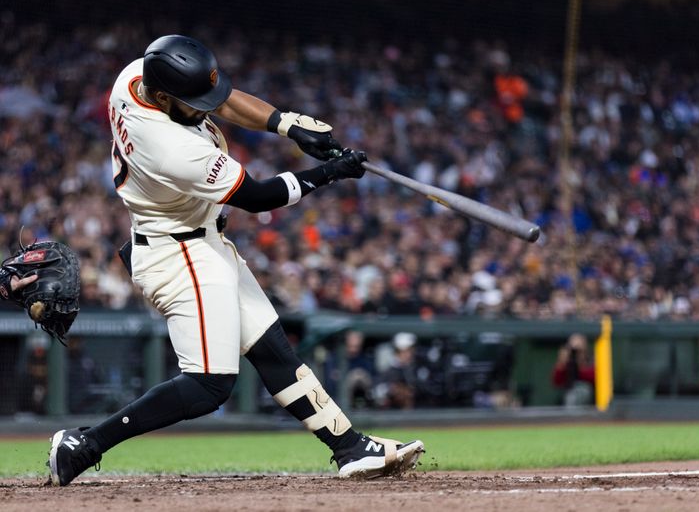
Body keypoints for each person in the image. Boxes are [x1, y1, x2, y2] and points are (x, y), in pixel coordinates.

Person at [46, 35, 423, 486]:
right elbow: (258, 196)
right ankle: (83, 446)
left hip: (200, 241)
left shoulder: (136, 77)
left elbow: (222, 101)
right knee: (209, 385)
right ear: (164, 97)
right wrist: (330, 173)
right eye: (192, 101)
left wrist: (287, 125)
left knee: (271, 349)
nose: (206, 107)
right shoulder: (170, 147)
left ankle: (349, 448)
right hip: (178, 253)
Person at [551, 333, 596, 407]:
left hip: (589, 401)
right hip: (567, 398)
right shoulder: (567, 362)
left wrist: (580, 363)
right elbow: (556, 382)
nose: (576, 352)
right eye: (573, 349)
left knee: (582, 388)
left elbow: (593, 377)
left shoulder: (591, 359)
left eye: (579, 349)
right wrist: (561, 363)